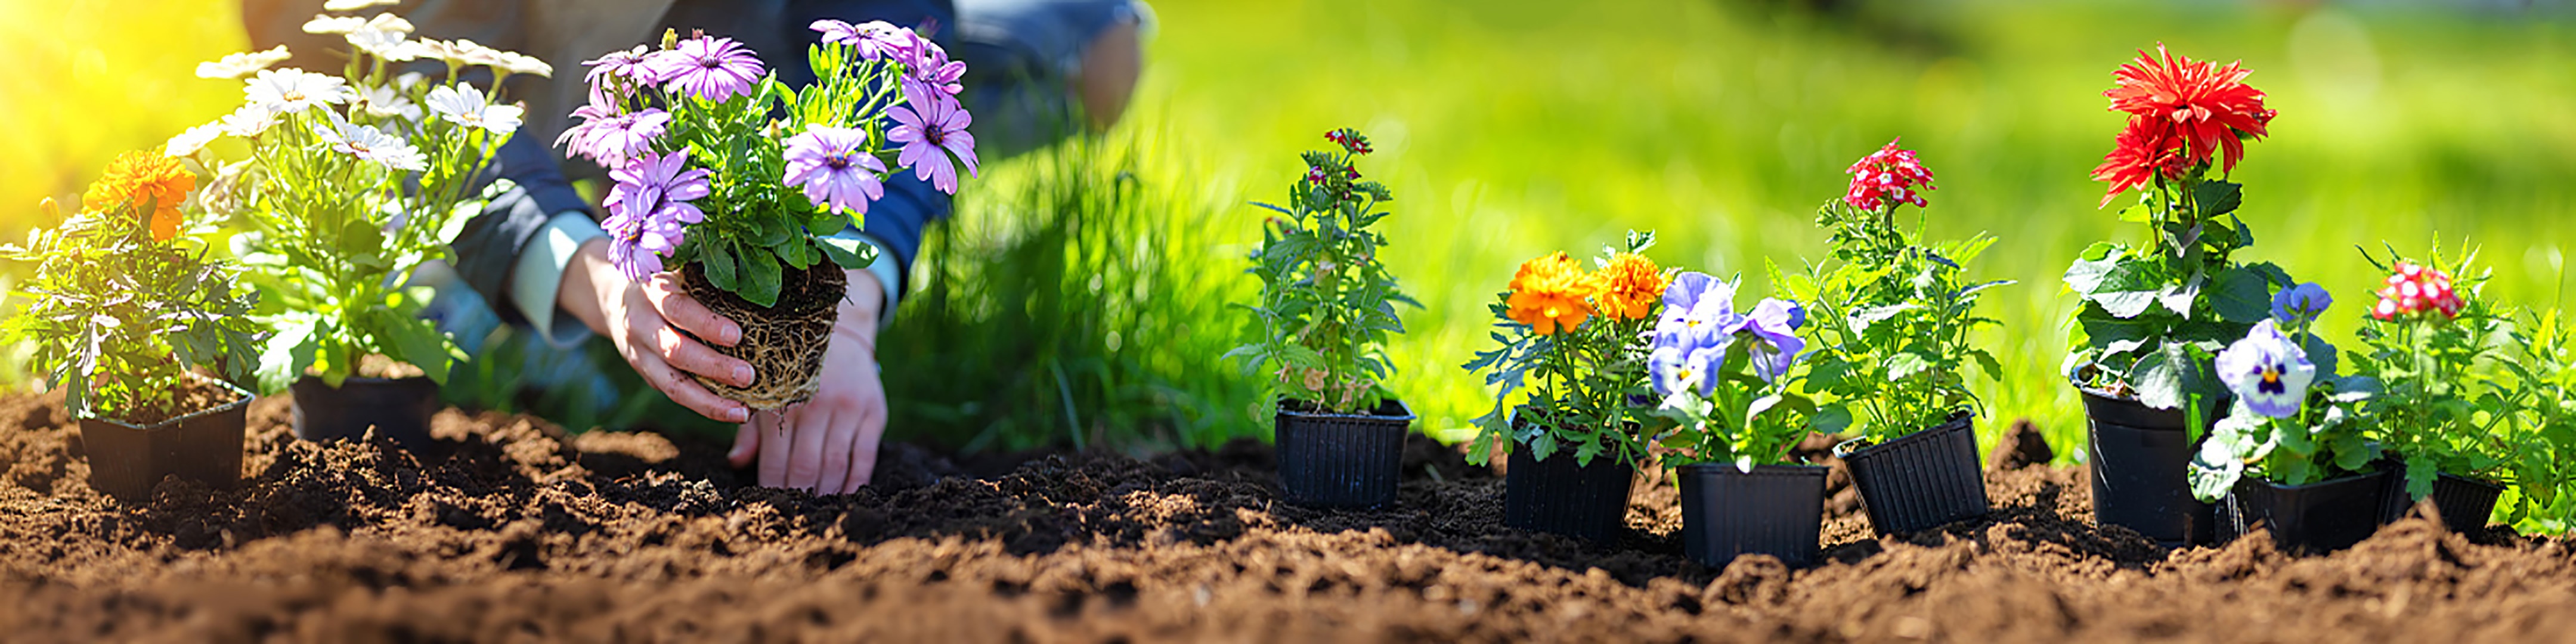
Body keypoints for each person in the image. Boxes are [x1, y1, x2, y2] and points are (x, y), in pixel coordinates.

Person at [239, 0, 1147, 493]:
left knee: (1105, 40)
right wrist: (600, 280)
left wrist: (851, 300)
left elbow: (887, 21)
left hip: (721, 42)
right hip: (443, 52)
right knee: (439, 261)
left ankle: (592, 316)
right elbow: (431, 79)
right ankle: (537, 313)